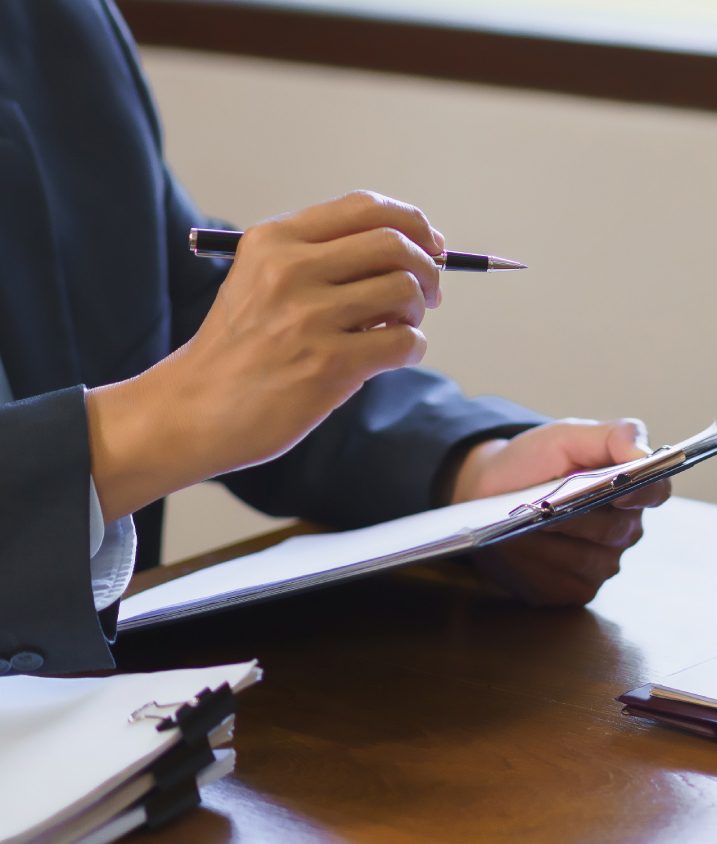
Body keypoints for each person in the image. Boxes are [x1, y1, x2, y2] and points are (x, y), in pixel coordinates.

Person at [0, 1, 667, 677]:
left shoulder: (57, 19)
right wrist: (153, 426)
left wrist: (472, 472)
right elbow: (192, 387)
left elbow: (181, 308)